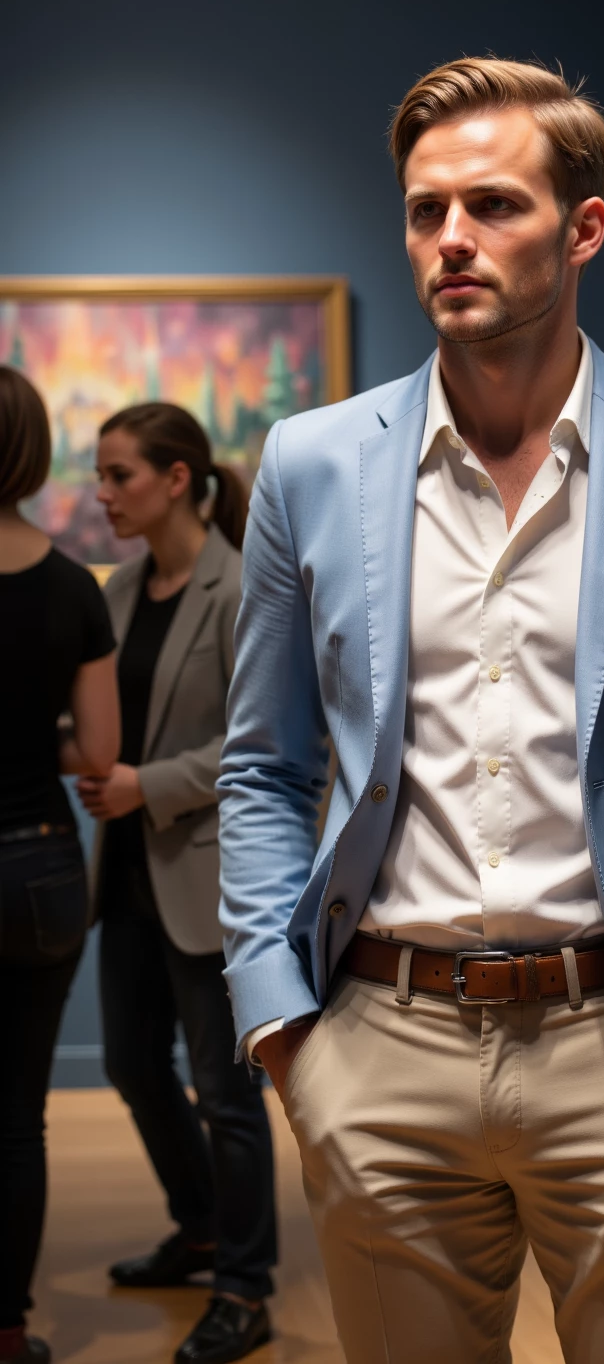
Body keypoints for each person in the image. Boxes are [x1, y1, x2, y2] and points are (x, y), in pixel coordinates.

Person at [218, 57, 604, 1364]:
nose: (450, 239)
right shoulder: (312, 464)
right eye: (424, 209)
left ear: (585, 227)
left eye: (494, 205)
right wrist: (281, 1024)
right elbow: (262, 765)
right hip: (380, 1044)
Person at [78, 403, 276, 1364]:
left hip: (207, 881)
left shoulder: (238, 590)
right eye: (101, 476)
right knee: (128, 1064)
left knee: (225, 1094)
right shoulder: (116, 593)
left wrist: (140, 785)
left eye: (118, 475)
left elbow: (262, 748)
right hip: (123, 876)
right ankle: (200, 1229)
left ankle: (244, 1288)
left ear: (178, 479)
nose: (103, 494)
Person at [0, 365, 120, 1364]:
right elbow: (96, 751)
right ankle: (7, 1328)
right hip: (39, 863)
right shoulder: (74, 584)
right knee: (17, 1116)